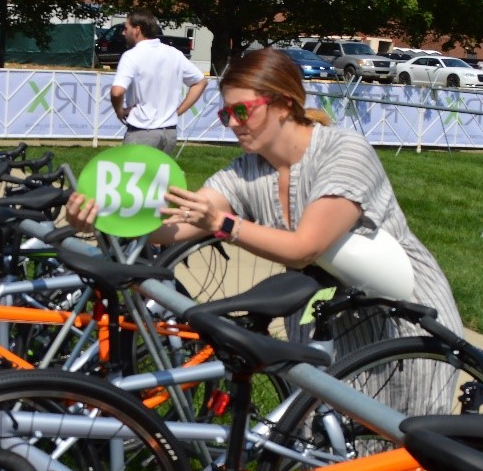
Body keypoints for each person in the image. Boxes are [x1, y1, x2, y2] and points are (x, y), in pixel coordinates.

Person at [69, 46, 463, 414]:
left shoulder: (345, 151)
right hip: (326, 320)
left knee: (408, 451)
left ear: (284, 104)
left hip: (403, 313)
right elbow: (175, 228)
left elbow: (304, 248)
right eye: (226, 115)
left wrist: (223, 224)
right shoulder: (246, 170)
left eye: (243, 111)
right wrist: (103, 215)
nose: (233, 125)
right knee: (328, 447)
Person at [109, 10, 208, 154]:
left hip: (142, 131)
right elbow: (201, 81)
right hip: (169, 133)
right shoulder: (174, 53)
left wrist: (119, 111)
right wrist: (178, 111)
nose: (124, 33)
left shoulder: (131, 56)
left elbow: (117, 91)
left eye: (126, 28)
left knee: (134, 177)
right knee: (159, 177)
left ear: (137, 30)